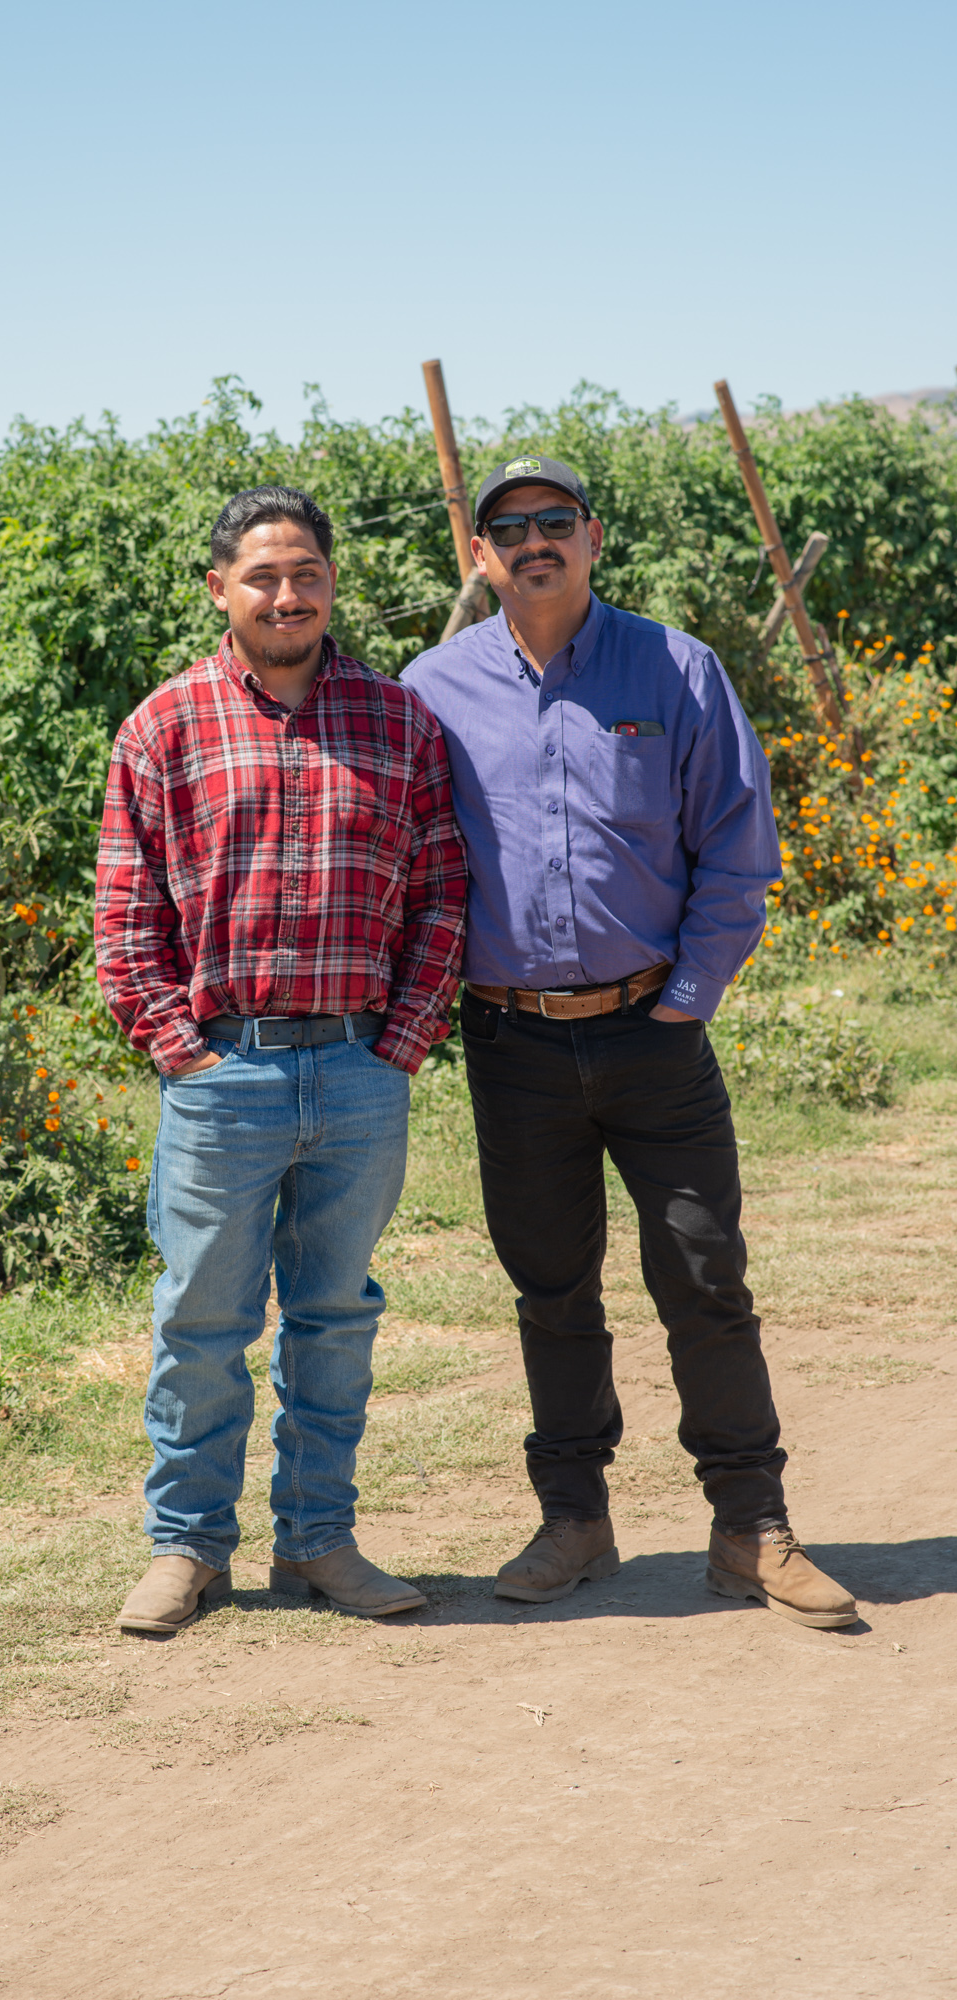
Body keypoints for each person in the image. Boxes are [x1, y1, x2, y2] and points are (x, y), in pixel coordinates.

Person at [402, 454, 855, 1630]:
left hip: (657, 1035)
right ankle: (576, 1519)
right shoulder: (434, 687)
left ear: (594, 538)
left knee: (706, 1277)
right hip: (512, 1042)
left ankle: (750, 1525)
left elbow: (736, 849)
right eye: (512, 525)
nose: (535, 539)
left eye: (557, 520)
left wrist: (687, 996)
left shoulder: (676, 667)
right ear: (481, 552)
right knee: (551, 1290)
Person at [96, 485, 467, 1636]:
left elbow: (444, 893)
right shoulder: (166, 724)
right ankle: (187, 1547)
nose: (286, 592)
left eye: (305, 570)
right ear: (221, 588)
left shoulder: (398, 721)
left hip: (357, 1072)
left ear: (331, 582)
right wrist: (180, 1052)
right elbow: (125, 912)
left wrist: (399, 1045)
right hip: (226, 1078)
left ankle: (320, 1538)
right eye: (262, 574)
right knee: (202, 1322)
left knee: (336, 1317)